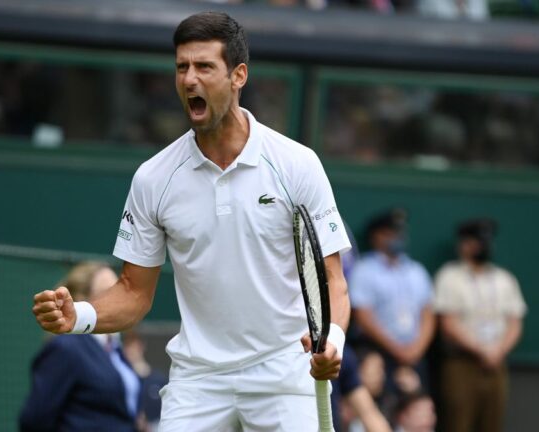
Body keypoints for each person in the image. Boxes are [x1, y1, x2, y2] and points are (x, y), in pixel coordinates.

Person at [31, 11, 352, 431]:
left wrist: (334, 341)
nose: (189, 79)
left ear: (238, 76)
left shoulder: (296, 165)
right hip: (199, 380)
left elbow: (334, 282)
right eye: (182, 67)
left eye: (204, 67)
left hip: (284, 373)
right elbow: (133, 292)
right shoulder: (154, 178)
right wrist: (81, 317)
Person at [20, 262, 141, 432]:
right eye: (108, 294)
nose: (117, 302)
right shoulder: (66, 348)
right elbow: (35, 419)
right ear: (82, 300)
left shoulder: (115, 349)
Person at [434, 218, 527, 432]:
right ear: (464, 244)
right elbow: (448, 324)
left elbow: (515, 322)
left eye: (486, 241)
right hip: (461, 362)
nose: (483, 246)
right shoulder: (450, 276)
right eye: (477, 241)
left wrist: (497, 351)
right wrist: (481, 350)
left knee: (493, 423)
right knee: (459, 423)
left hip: (497, 363)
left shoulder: (505, 279)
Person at [349, 209, 435, 394]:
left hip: (415, 354)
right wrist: (397, 349)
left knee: (417, 410)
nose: (396, 238)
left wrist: (415, 350)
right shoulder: (364, 270)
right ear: (375, 236)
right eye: (389, 233)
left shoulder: (416, 270)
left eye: (399, 233)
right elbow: (363, 317)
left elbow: (428, 313)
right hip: (378, 353)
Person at [122, 329, 168, 432]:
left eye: (134, 346)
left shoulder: (159, 380)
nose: (131, 351)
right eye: (128, 347)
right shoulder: (122, 380)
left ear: (141, 347)